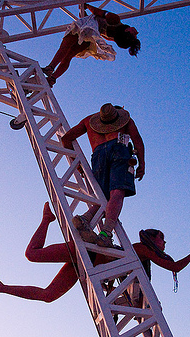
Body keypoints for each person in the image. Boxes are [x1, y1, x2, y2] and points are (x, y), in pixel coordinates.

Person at [0, 202, 190, 302]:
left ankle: (1, 288)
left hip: (86, 264)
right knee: (32, 254)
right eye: (162, 239)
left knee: (48, 296)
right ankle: (47, 220)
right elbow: (173, 267)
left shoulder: (141, 261)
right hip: (88, 254)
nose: (164, 244)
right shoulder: (142, 249)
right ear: (153, 239)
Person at [61, 103, 145, 247]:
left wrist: (77, 164)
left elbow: (66, 139)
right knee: (117, 192)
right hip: (120, 150)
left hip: (98, 155)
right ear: (120, 113)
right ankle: (105, 233)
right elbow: (137, 140)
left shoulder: (89, 120)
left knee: (103, 196)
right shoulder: (127, 121)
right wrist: (142, 164)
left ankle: (85, 218)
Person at [42, 3, 140, 86]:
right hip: (89, 37)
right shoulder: (114, 37)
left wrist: (86, 5)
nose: (136, 32)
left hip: (84, 28)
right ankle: (53, 78)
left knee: (65, 47)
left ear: (127, 30)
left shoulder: (114, 19)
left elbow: (96, 12)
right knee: (68, 56)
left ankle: (50, 67)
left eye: (134, 34)